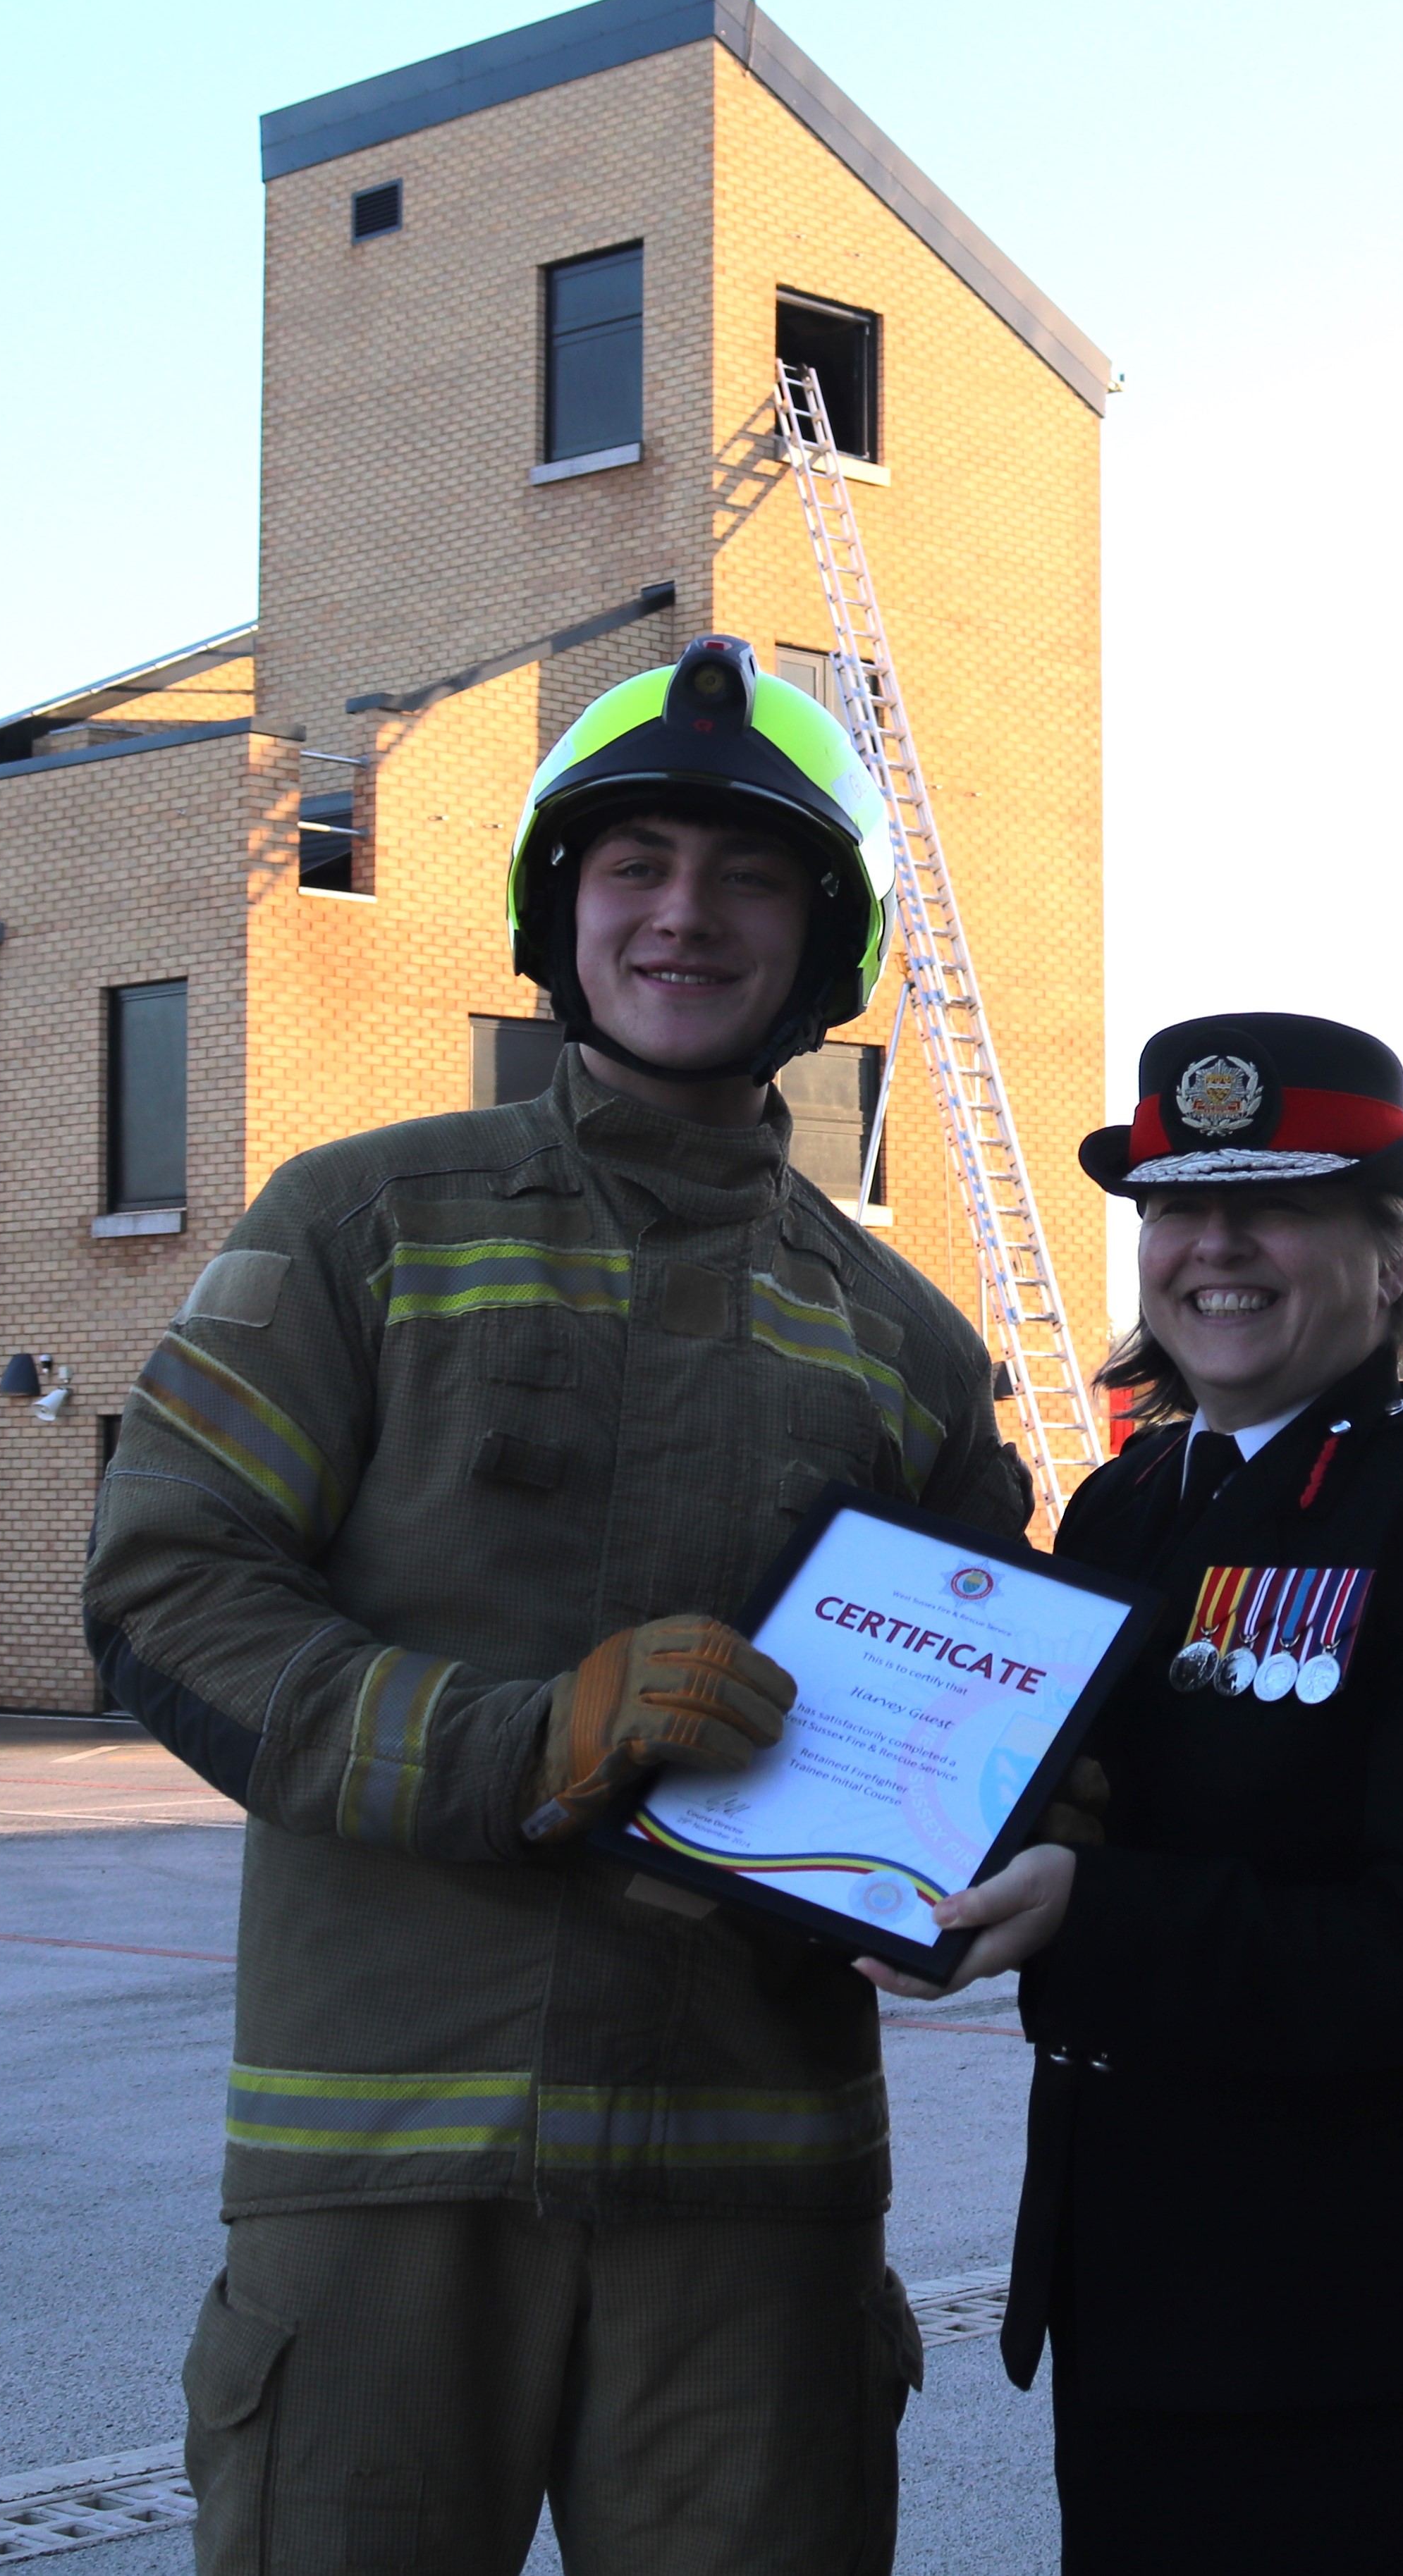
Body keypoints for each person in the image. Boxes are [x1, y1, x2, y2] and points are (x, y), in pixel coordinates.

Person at [87, 634, 1027, 2576]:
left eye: (748, 874)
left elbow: (1003, 1707)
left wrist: (1038, 1846)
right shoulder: (356, 1224)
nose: (684, 915)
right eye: (634, 868)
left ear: (822, 939)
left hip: (754, 2203)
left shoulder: (911, 1345)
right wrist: (531, 1738)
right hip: (382, 2171)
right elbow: (168, 1593)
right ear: (555, 909)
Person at [867, 1011, 1403, 2575]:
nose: (1212, 1247)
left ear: (1381, 1246)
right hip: (1149, 2300)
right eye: (1172, 1206)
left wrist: (1091, 1914)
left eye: (1271, 1202)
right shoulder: (1125, 1502)